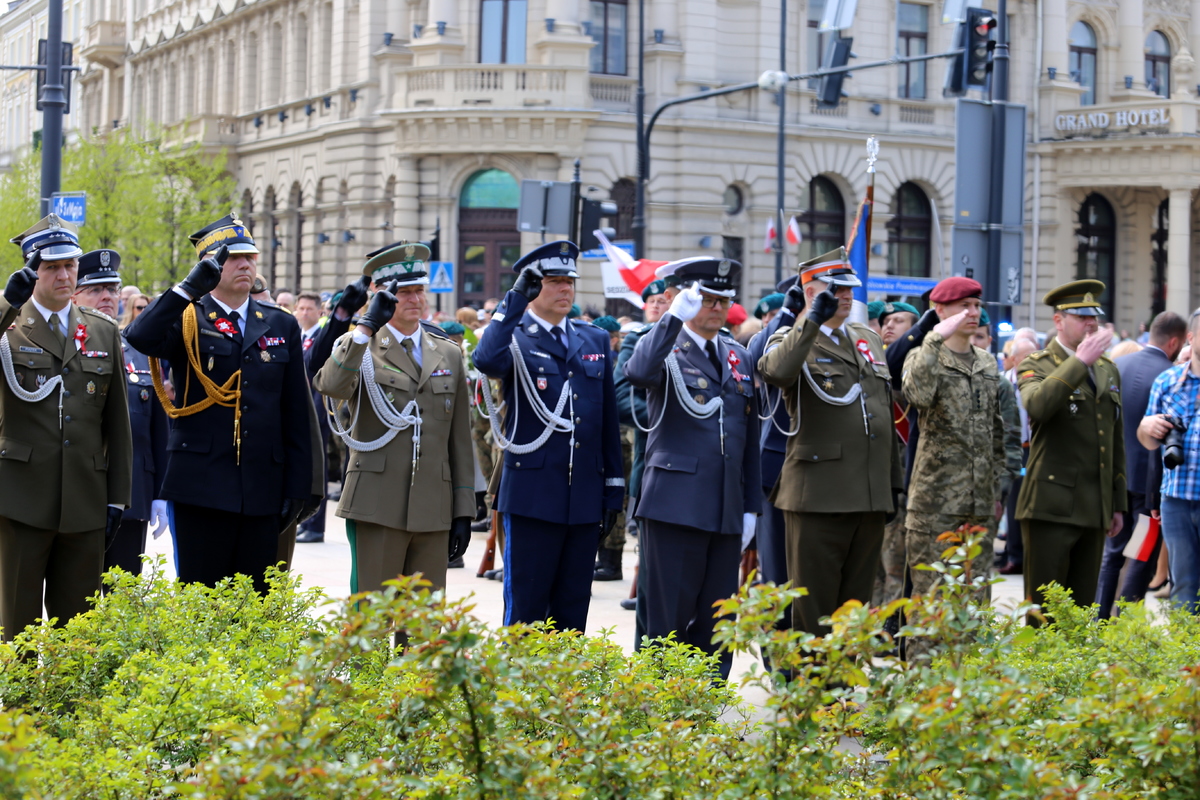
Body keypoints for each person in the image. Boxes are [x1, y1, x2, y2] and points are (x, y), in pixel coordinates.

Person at [125, 214, 314, 592]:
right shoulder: (188, 316)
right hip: (201, 486)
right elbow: (140, 336)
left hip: (262, 486)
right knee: (201, 599)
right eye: (233, 258)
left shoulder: (280, 324)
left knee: (256, 604)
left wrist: (298, 487)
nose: (245, 265)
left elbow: (295, 412)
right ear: (210, 266)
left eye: (250, 257)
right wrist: (185, 290)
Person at [472, 240, 624, 631]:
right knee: (526, 604)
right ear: (532, 287)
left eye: (569, 281)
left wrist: (612, 489)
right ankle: (520, 690)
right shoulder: (515, 335)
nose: (565, 290)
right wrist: (512, 302)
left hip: (584, 495)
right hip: (532, 494)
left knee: (573, 608)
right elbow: (486, 360)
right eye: (554, 282)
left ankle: (564, 692)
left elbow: (605, 419)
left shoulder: (591, 340)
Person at [313, 242, 475, 599]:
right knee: (371, 617)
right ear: (381, 295)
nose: (415, 299)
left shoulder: (446, 351)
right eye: (404, 292)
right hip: (377, 502)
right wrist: (364, 329)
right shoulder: (359, 345)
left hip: (434, 504)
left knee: (423, 624)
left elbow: (459, 440)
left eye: (420, 290)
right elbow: (331, 386)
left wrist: (464, 507)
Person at [623, 257, 760, 678]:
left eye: (723, 300)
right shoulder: (664, 345)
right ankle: (660, 705)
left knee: (718, 617)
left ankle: (706, 705)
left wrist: (751, 505)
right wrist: (670, 320)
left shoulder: (737, 355)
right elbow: (638, 371)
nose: (716, 308)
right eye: (706, 299)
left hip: (724, 505)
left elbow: (749, 436)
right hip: (674, 504)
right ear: (685, 300)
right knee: (667, 615)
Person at [757, 247, 902, 638]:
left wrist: (893, 485)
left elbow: (881, 412)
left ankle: (843, 693)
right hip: (819, 496)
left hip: (868, 496)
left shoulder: (866, 337)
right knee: (815, 607)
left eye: (848, 288)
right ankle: (812, 695)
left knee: (855, 609)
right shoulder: (791, 338)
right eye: (833, 288)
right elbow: (775, 371)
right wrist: (811, 321)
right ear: (809, 292)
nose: (844, 296)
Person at [0, 216, 132, 639]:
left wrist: (117, 499)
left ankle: (67, 708)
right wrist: (7, 302)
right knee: (15, 624)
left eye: (70, 266)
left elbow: (117, 424)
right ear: (31, 271)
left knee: (77, 631)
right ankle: (18, 708)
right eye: (51, 267)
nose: (63, 275)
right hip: (19, 497)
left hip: (84, 499)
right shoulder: (9, 324)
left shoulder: (100, 329)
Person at [901, 277, 1016, 619]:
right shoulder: (922, 355)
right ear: (939, 310)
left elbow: (997, 430)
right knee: (932, 605)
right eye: (964, 306)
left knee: (975, 604)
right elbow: (917, 396)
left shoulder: (986, 362)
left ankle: (970, 674)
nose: (973, 312)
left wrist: (999, 487)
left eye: (977, 306)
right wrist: (935, 337)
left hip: (978, 506)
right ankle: (924, 673)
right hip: (936, 506)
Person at [1016, 280, 1125, 620]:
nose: (1091, 323)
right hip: (1051, 506)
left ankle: (1073, 675)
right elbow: (1037, 406)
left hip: (1095, 507)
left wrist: (1117, 503)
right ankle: (1037, 674)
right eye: (1081, 316)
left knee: (1080, 613)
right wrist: (1079, 362)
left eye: (1095, 316)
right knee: (1044, 612)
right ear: (1059, 320)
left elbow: (1113, 437)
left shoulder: (1107, 368)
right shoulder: (1039, 363)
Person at [72, 249, 169, 578]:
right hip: (78, 491)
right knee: (76, 600)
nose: (107, 297)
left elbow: (156, 425)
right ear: (73, 295)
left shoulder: (139, 350)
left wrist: (160, 495)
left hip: (132, 492)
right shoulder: (65, 346)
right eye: (96, 290)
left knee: (122, 598)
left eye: (112, 289)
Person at [1094, 312, 1185, 616]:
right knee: (1141, 555)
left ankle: (1100, 618)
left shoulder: (1116, 366)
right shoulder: (1170, 376)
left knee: (1113, 554)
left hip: (1115, 478)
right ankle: (1125, 625)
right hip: (1149, 486)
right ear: (1175, 341)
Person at [614, 278, 677, 617]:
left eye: (663, 300)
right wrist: (669, 417)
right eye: (650, 300)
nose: (656, 305)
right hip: (652, 457)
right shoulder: (637, 342)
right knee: (649, 546)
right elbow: (621, 398)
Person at [747, 276, 804, 593]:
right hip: (779, 467)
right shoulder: (770, 338)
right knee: (778, 570)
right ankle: (776, 640)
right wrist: (787, 312)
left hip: (825, 469)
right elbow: (756, 359)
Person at [996, 335, 1038, 575]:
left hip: (1034, 449)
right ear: (1013, 359)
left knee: (1030, 503)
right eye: (1026, 357)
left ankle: (1028, 555)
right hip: (1012, 449)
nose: (1032, 361)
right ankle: (1014, 555)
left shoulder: (1040, 382)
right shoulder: (1004, 383)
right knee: (1012, 503)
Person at [293, 291, 330, 544]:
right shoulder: (298, 337)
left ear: (320, 312)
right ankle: (306, 521)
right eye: (301, 308)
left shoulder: (322, 338)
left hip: (317, 411)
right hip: (301, 412)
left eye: (310, 309)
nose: (305, 313)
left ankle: (316, 526)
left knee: (318, 469)